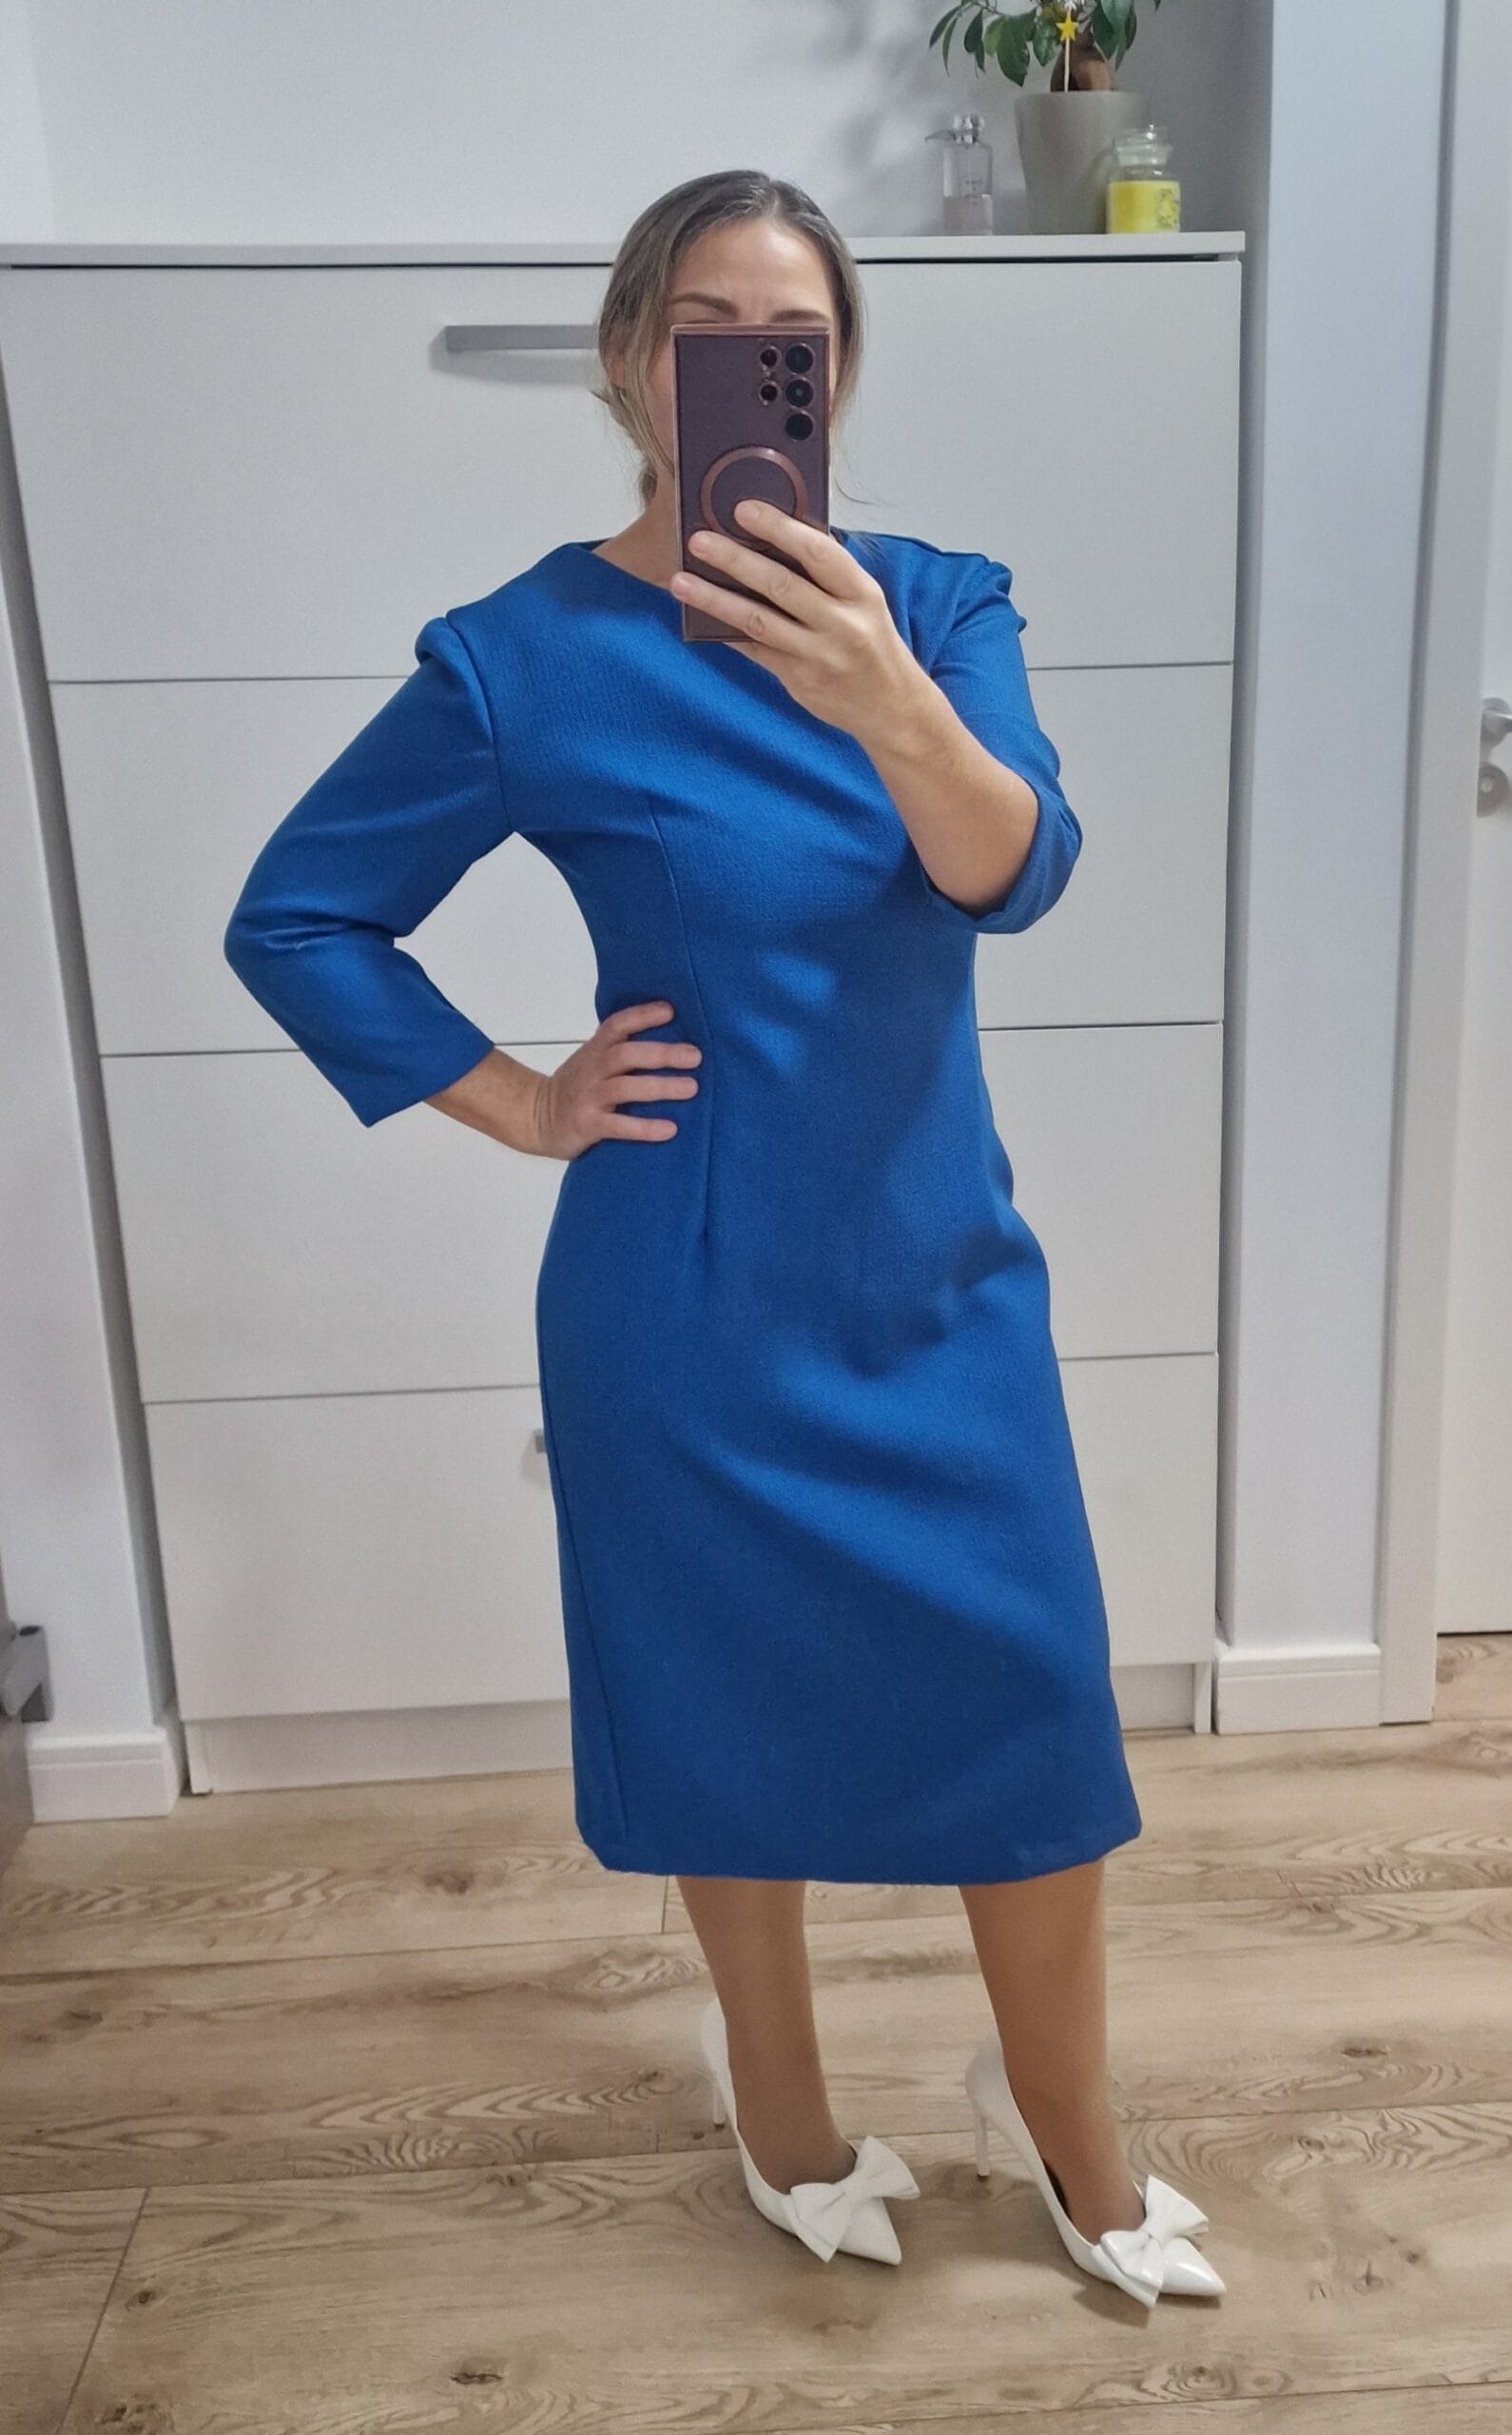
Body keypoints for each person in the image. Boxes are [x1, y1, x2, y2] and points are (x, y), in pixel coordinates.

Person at [223, 169, 1222, 2306]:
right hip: (681, 1295)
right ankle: (779, 2109)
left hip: (935, 1272)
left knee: (1033, 1703)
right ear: (628, 360)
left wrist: (882, 693)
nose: (755, 366)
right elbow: (297, 915)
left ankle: (1072, 2132)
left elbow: (1016, 869)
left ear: (834, 376)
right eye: (707, 327)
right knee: (721, 1717)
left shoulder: (934, 604)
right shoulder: (522, 656)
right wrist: (521, 1097)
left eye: (795, 338)